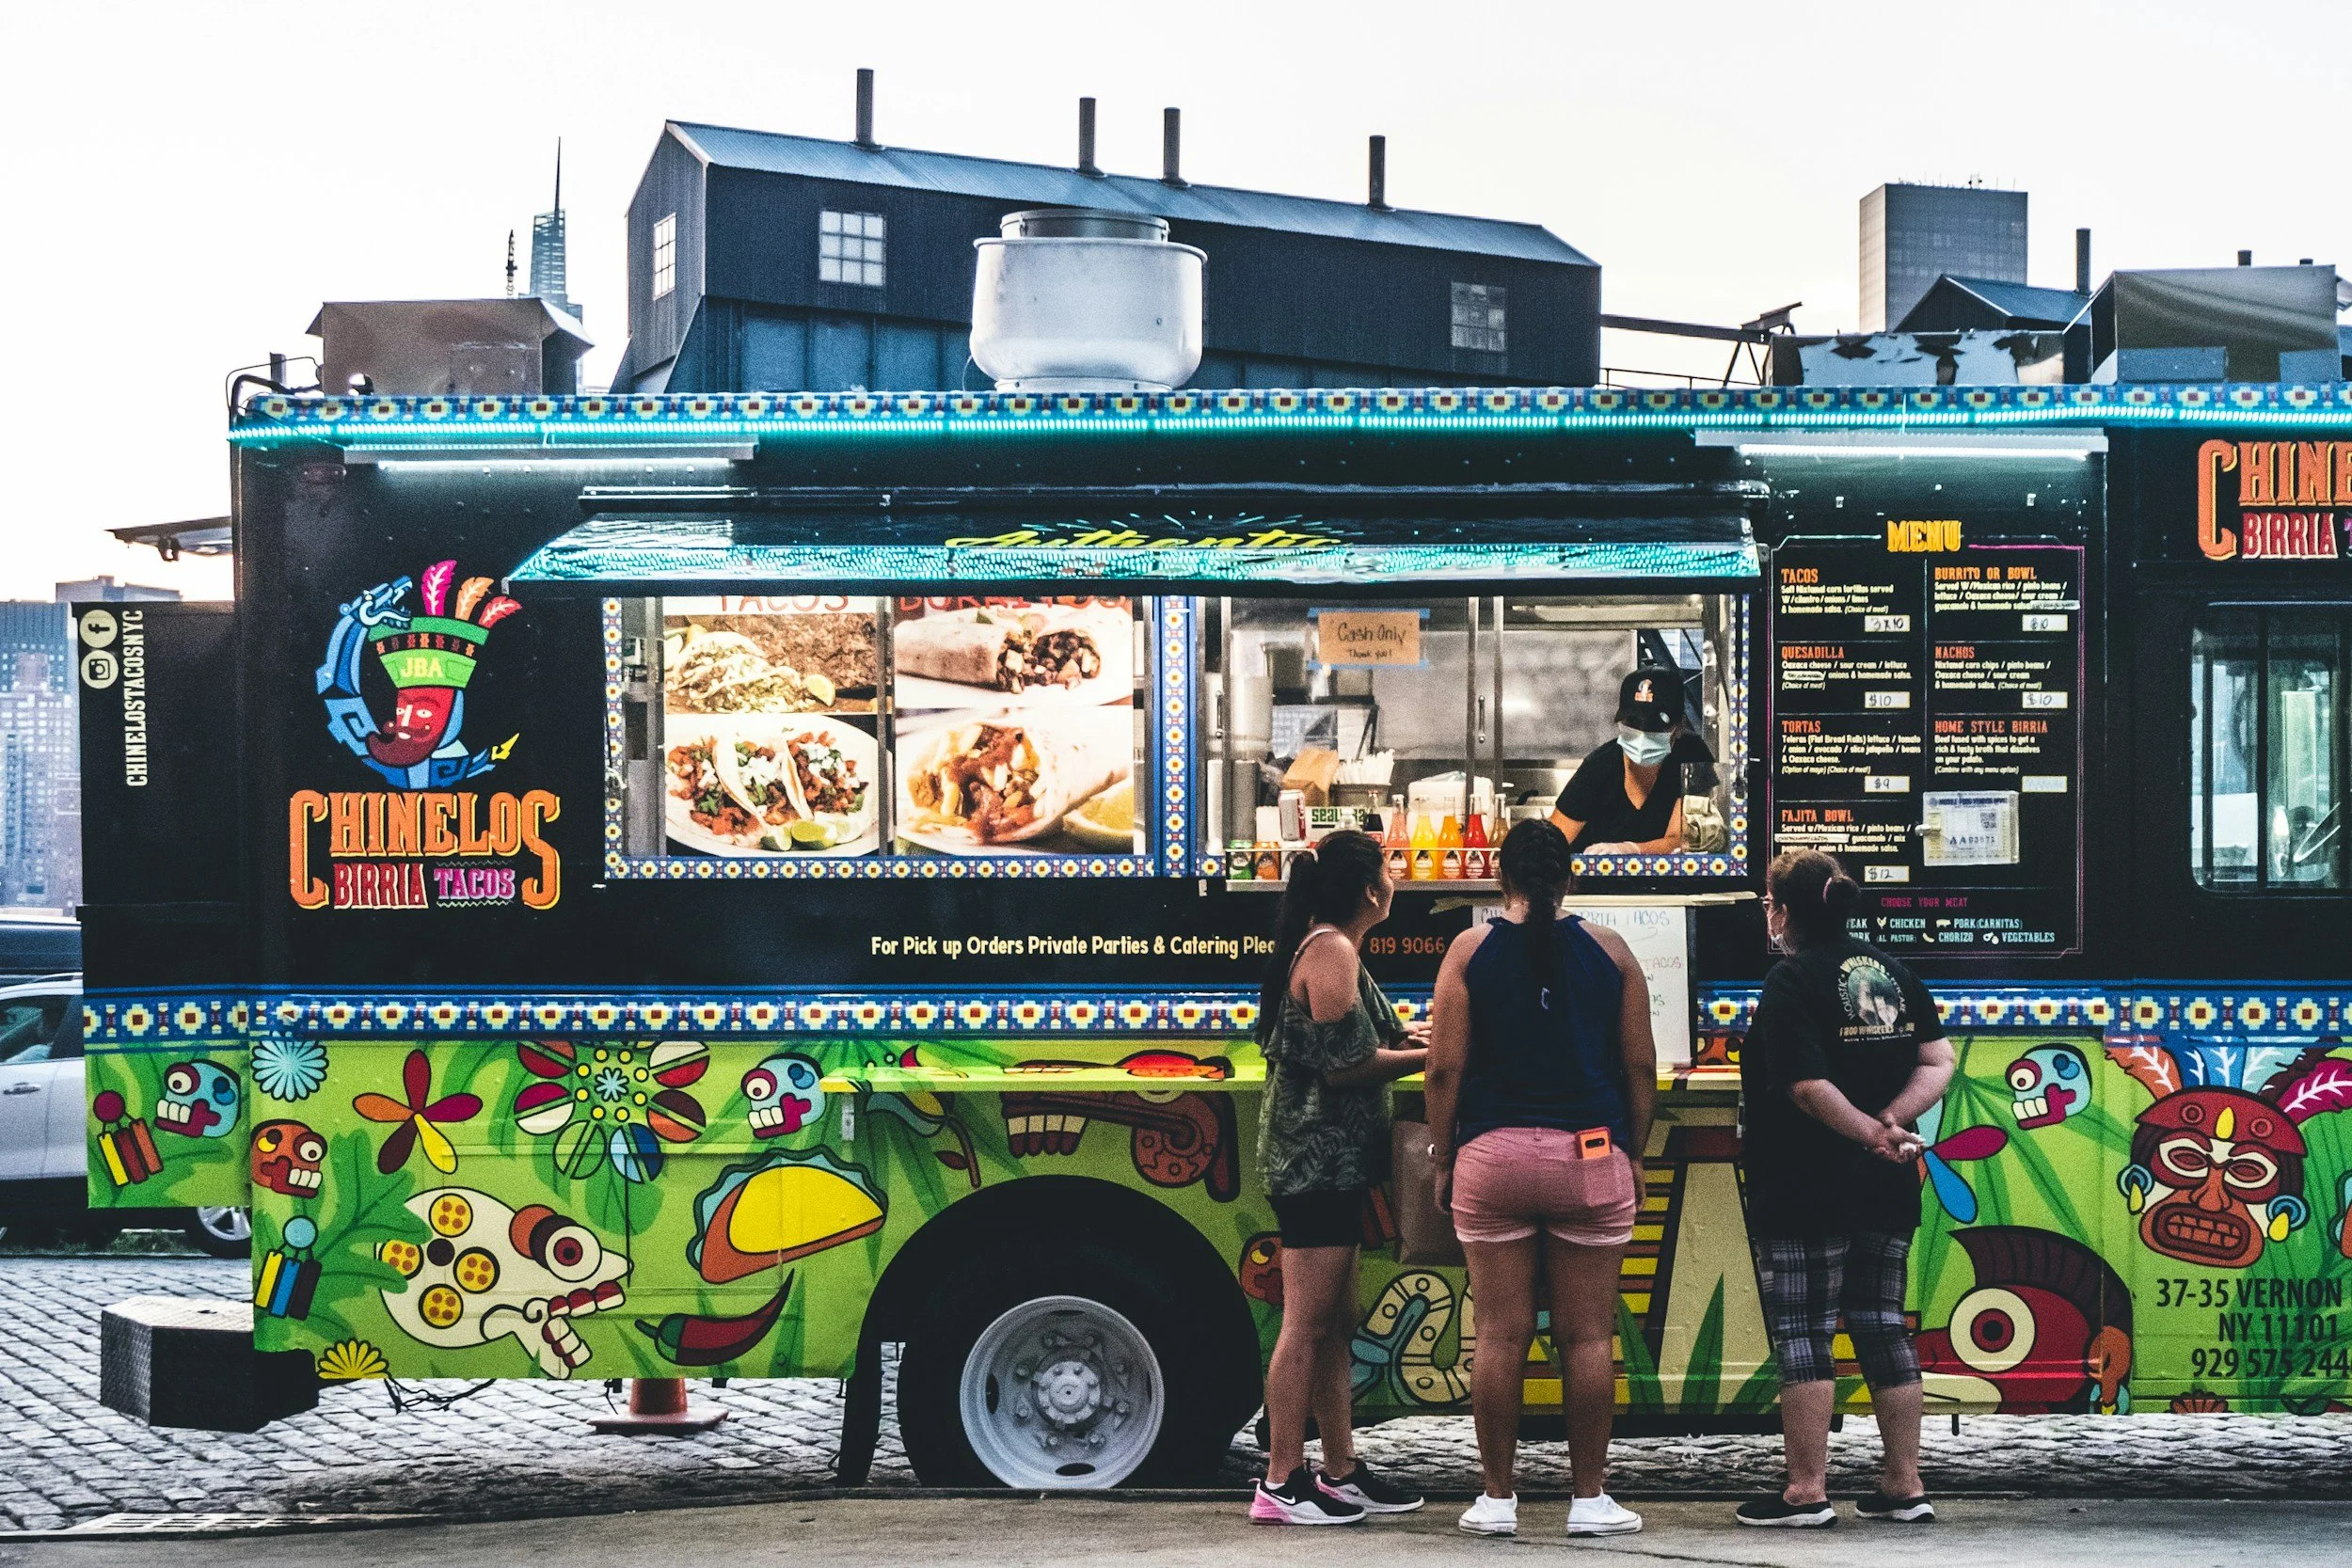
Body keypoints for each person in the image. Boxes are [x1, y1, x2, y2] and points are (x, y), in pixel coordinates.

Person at [1422, 819, 1655, 1539]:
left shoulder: (1469, 949)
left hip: (1492, 1159)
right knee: (1588, 1338)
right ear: (1570, 878)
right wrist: (1634, 1152)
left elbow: (1442, 1068)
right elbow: (1642, 1067)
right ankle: (1589, 1498)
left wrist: (1441, 1154)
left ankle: (1496, 1497)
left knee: (1498, 1333)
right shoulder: (1612, 951)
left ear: (1502, 881)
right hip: (1590, 1157)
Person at [1735, 848, 1957, 1528]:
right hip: (1885, 1184)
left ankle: (1805, 1488)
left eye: (1770, 904)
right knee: (1883, 1324)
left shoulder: (1791, 980)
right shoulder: (1891, 971)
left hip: (1807, 1183)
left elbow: (1805, 1086)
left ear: (1783, 909)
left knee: (1804, 1329)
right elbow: (1938, 1057)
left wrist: (1865, 1128)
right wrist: (1892, 1123)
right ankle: (1904, 1482)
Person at [1248, 830, 1431, 1525]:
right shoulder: (1331, 950)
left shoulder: (1333, 945)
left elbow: (1352, 1042)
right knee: (1306, 1321)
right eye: (1390, 868)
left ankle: (1339, 1466)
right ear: (1367, 888)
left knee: (1335, 1321)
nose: (1397, 879)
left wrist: (1410, 1040)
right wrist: (1430, 1053)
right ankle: (1281, 1478)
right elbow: (1344, 1066)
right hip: (1314, 1162)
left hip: (1334, 1161)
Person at [1551, 667, 1711, 854]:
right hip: (1593, 880)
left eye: (1654, 727)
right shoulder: (1599, 767)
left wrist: (1630, 849)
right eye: (1633, 724)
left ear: (1678, 728)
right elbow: (1552, 843)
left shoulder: (1691, 757)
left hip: (1665, 879)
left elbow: (1682, 839)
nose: (1642, 734)